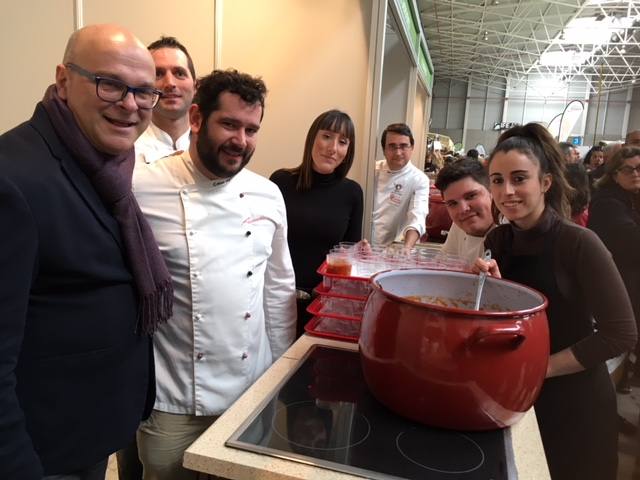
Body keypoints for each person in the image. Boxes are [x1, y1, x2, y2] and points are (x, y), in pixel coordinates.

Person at [0, 24, 171, 479]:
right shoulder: (13, 178)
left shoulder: (105, 169)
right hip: (39, 453)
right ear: (62, 80)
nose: (130, 104)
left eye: (143, 92)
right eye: (110, 84)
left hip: (87, 437)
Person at [133, 69, 296, 480]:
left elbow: (277, 290)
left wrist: (278, 378)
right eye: (229, 124)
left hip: (250, 390)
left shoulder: (268, 195)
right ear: (195, 119)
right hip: (172, 397)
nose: (241, 141)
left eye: (252, 129)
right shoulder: (141, 185)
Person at [474, 123, 637, 480]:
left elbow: (620, 333)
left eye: (520, 178)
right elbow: (517, 318)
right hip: (518, 397)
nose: (507, 191)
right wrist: (493, 292)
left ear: (545, 182)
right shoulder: (499, 239)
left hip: (576, 404)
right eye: (497, 181)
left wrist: (539, 369)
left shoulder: (580, 244)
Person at [270, 110, 363, 336]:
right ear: (313, 138)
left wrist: (361, 256)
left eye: (343, 142)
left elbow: (347, 253)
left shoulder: (352, 192)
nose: (333, 148)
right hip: (276, 300)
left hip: (321, 303)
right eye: (327, 136)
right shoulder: (280, 182)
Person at [589, 147, 640, 377]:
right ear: (615, 173)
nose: (635, 174)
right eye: (628, 169)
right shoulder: (608, 202)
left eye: (639, 168)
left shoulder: (630, 199)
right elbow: (631, 242)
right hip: (619, 283)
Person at [135, 36, 196, 164]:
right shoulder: (126, 149)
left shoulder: (213, 147)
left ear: (195, 86)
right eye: (158, 74)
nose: (170, 83)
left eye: (179, 73)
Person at [372, 123, 429, 249]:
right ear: (384, 149)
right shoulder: (372, 171)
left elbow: (417, 216)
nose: (398, 153)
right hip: (365, 245)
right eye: (392, 147)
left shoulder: (419, 179)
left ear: (412, 147)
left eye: (403, 146)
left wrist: (407, 249)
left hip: (394, 249)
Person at [435, 158, 495, 266]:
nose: (463, 209)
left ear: (491, 192)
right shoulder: (459, 225)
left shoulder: (510, 232)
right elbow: (443, 267)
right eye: (453, 203)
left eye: (471, 196)